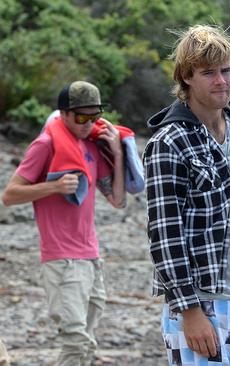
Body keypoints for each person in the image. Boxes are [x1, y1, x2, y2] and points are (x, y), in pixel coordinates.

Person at [143, 25, 230, 366]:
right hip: (199, 303)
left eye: (226, 71)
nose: (221, 81)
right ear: (186, 77)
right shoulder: (168, 142)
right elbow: (165, 235)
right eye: (208, 73)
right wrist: (189, 310)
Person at [1, 80, 126, 366]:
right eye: (81, 116)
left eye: (94, 117)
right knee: (75, 342)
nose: (87, 123)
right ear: (64, 114)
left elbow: (117, 200)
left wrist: (117, 153)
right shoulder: (45, 145)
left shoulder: (92, 147)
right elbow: (9, 195)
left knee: (87, 345)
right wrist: (53, 187)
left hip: (92, 259)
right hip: (61, 261)